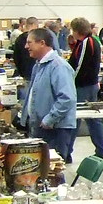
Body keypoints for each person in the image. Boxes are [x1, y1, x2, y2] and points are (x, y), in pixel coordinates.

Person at [20, 28, 78, 163]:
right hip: (40, 127)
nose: (26, 46)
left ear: (42, 43)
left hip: (55, 130)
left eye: (29, 43)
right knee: (41, 170)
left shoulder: (58, 66)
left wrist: (50, 119)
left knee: (53, 171)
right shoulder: (39, 66)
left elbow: (67, 98)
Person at [69, 17, 103, 159]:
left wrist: (70, 81)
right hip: (90, 85)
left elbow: (80, 65)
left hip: (83, 86)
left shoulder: (87, 42)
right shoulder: (90, 41)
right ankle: (101, 150)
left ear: (76, 30)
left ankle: (67, 152)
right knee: (92, 119)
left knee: (75, 118)